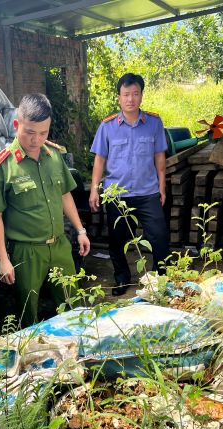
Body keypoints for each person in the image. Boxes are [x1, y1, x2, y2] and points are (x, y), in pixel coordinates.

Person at [0, 93, 91, 327]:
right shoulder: (2, 166)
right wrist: (3, 259)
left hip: (60, 245)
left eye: (43, 133)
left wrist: (80, 230)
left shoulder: (54, 156)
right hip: (27, 251)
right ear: (16, 125)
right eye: (30, 132)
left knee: (73, 305)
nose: (36, 140)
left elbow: (64, 195)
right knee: (27, 314)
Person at [89, 72, 170, 296]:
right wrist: (95, 189)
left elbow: (160, 158)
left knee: (160, 238)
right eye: (126, 94)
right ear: (119, 97)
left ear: (141, 95)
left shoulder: (154, 123)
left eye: (135, 94)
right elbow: (100, 160)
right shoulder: (107, 126)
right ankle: (122, 279)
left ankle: (157, 281)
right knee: (116, 241)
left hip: (148, 193)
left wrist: (161, 187)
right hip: (117, 194)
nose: (130, 99)